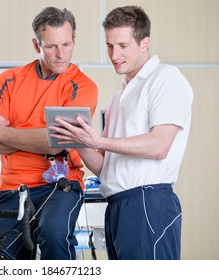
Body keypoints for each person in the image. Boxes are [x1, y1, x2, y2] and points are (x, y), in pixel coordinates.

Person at [49, 5, 193, 260]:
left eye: (123, 46)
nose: (114, 54)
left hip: (148, 202)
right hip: (117, 206)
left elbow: (160, 145)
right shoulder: (119, 96)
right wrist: (79, 141)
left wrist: (98, 139)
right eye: (109, 46)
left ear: (144, 42)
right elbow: (106, 168)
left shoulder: (165, 78)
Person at [0, 6, 98, 260]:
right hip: (11, 187)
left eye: (66, 44)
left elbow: (55, 145)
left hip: (59, 186)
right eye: (52, 46)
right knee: (6, 259)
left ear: (74, 40)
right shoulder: (8, 80)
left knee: (54, 235)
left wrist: (3, 133)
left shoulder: (82, 87)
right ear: (36, 45)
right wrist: (39, 138)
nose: (61, 53)